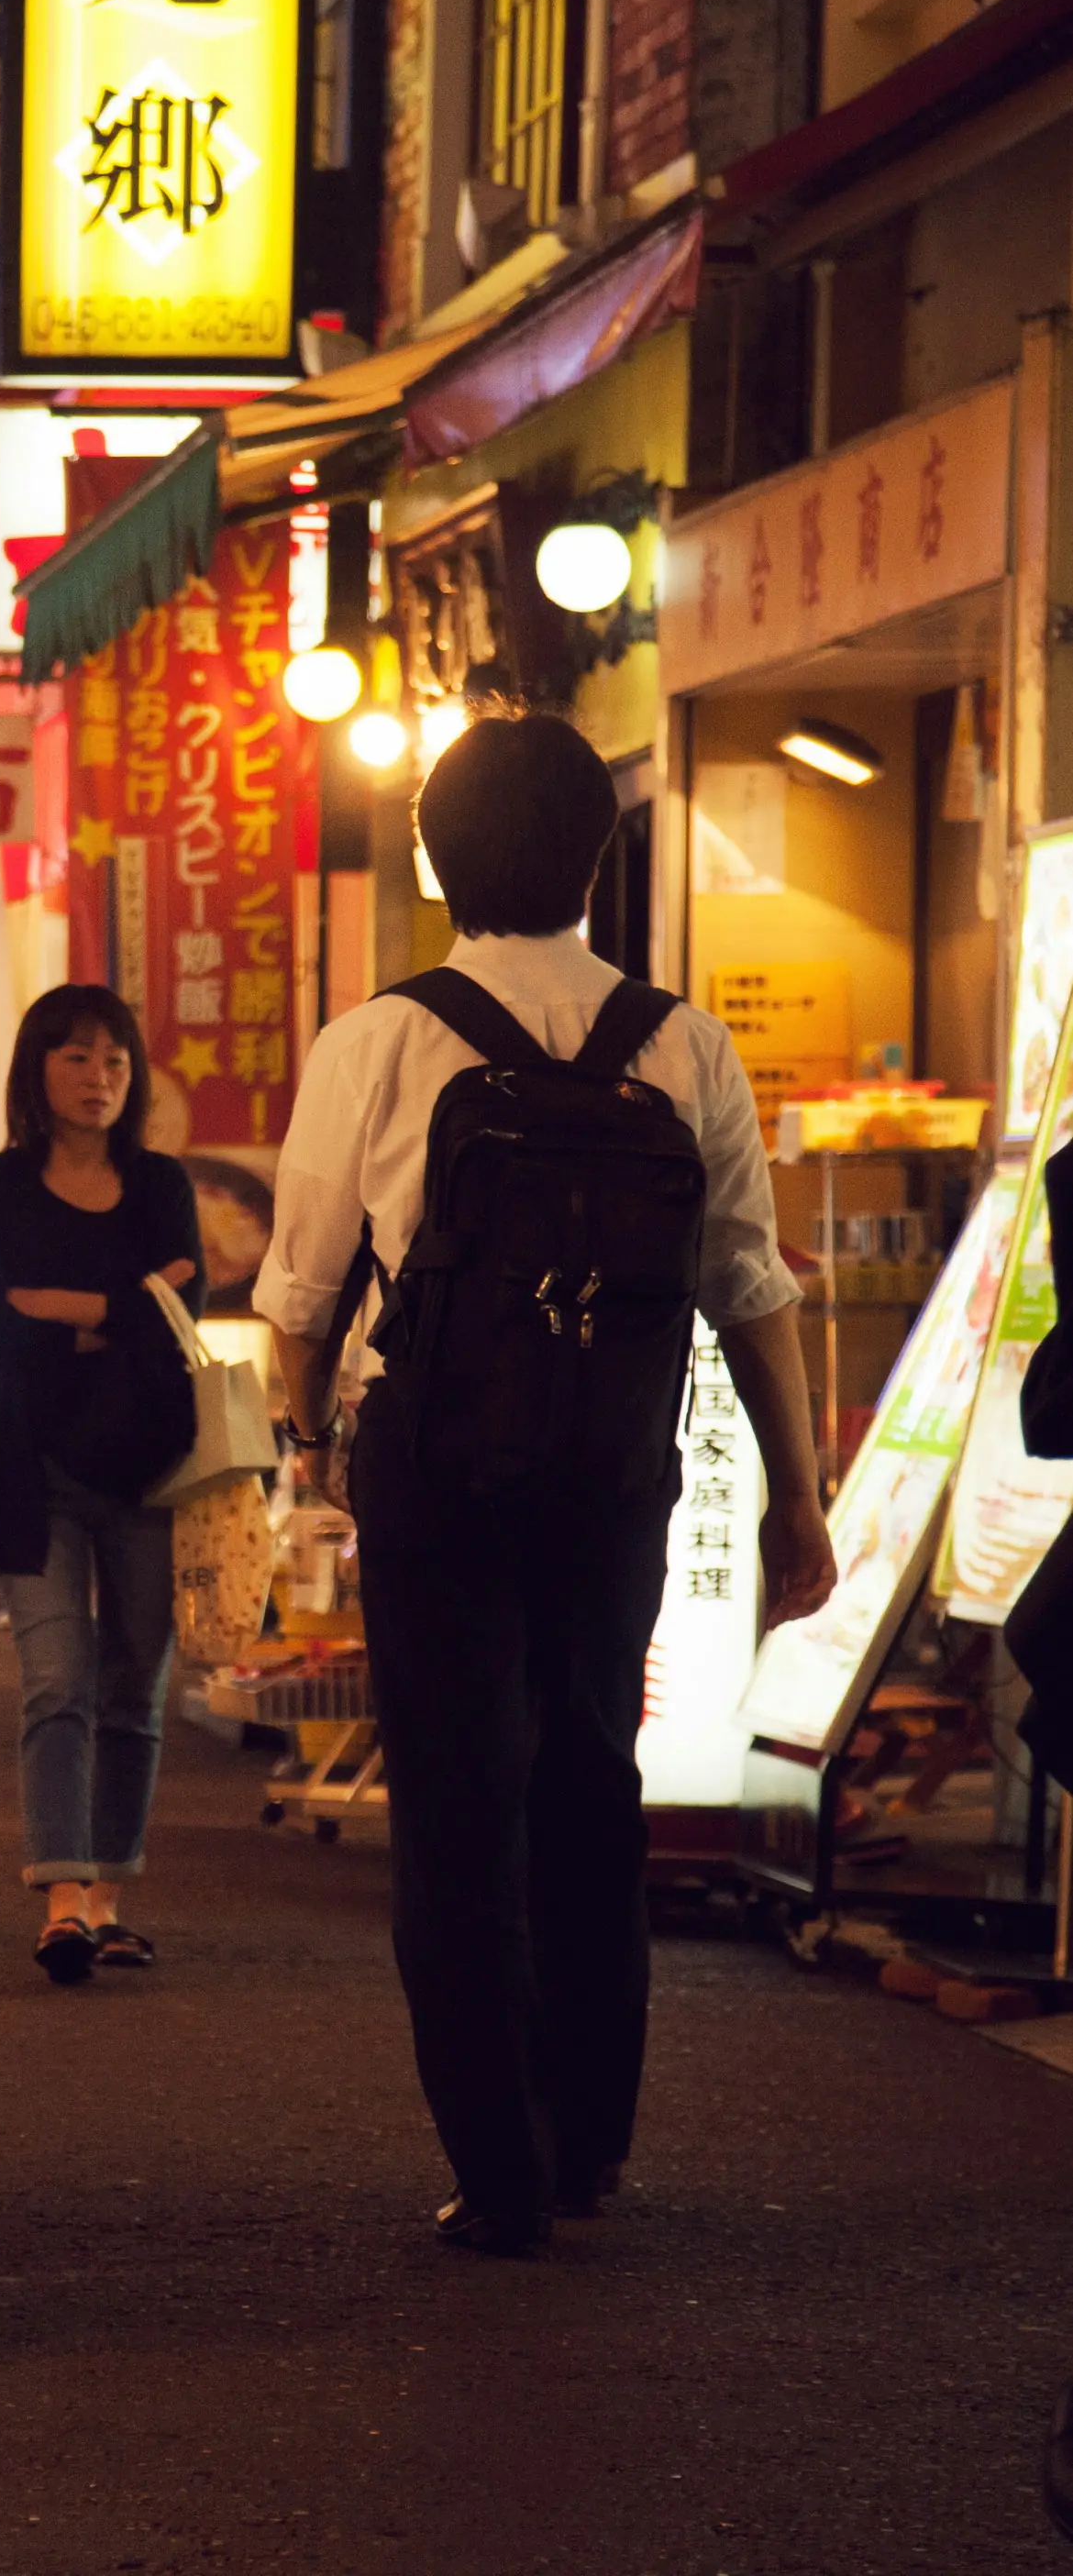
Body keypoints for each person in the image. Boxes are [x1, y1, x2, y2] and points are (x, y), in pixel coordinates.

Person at [257, 710, 835, 2255]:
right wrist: (799, 1496)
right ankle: (590, 2142)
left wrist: (309, 1445)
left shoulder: (378, 1037)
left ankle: (497, 2170)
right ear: (599, 852)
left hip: (436, 1463)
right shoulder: (682, 1039)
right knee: (593, 1780)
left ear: (438, 852)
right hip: (615, 1460)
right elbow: (752, 1287)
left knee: (455, 1801)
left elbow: (300, 1300)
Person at [0, 986, 205, 1985]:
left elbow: (187, 1300)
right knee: (57, 1680)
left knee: (135, 1682)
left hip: (149, 1467)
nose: (98, 1079)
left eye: (114, 1062)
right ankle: (62, 1898)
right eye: (76, 1059)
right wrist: (122, 1308)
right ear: (36, 1070)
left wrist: (63, 1307)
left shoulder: (161, 1185)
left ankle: (107, 1896)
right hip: (31, 1469)